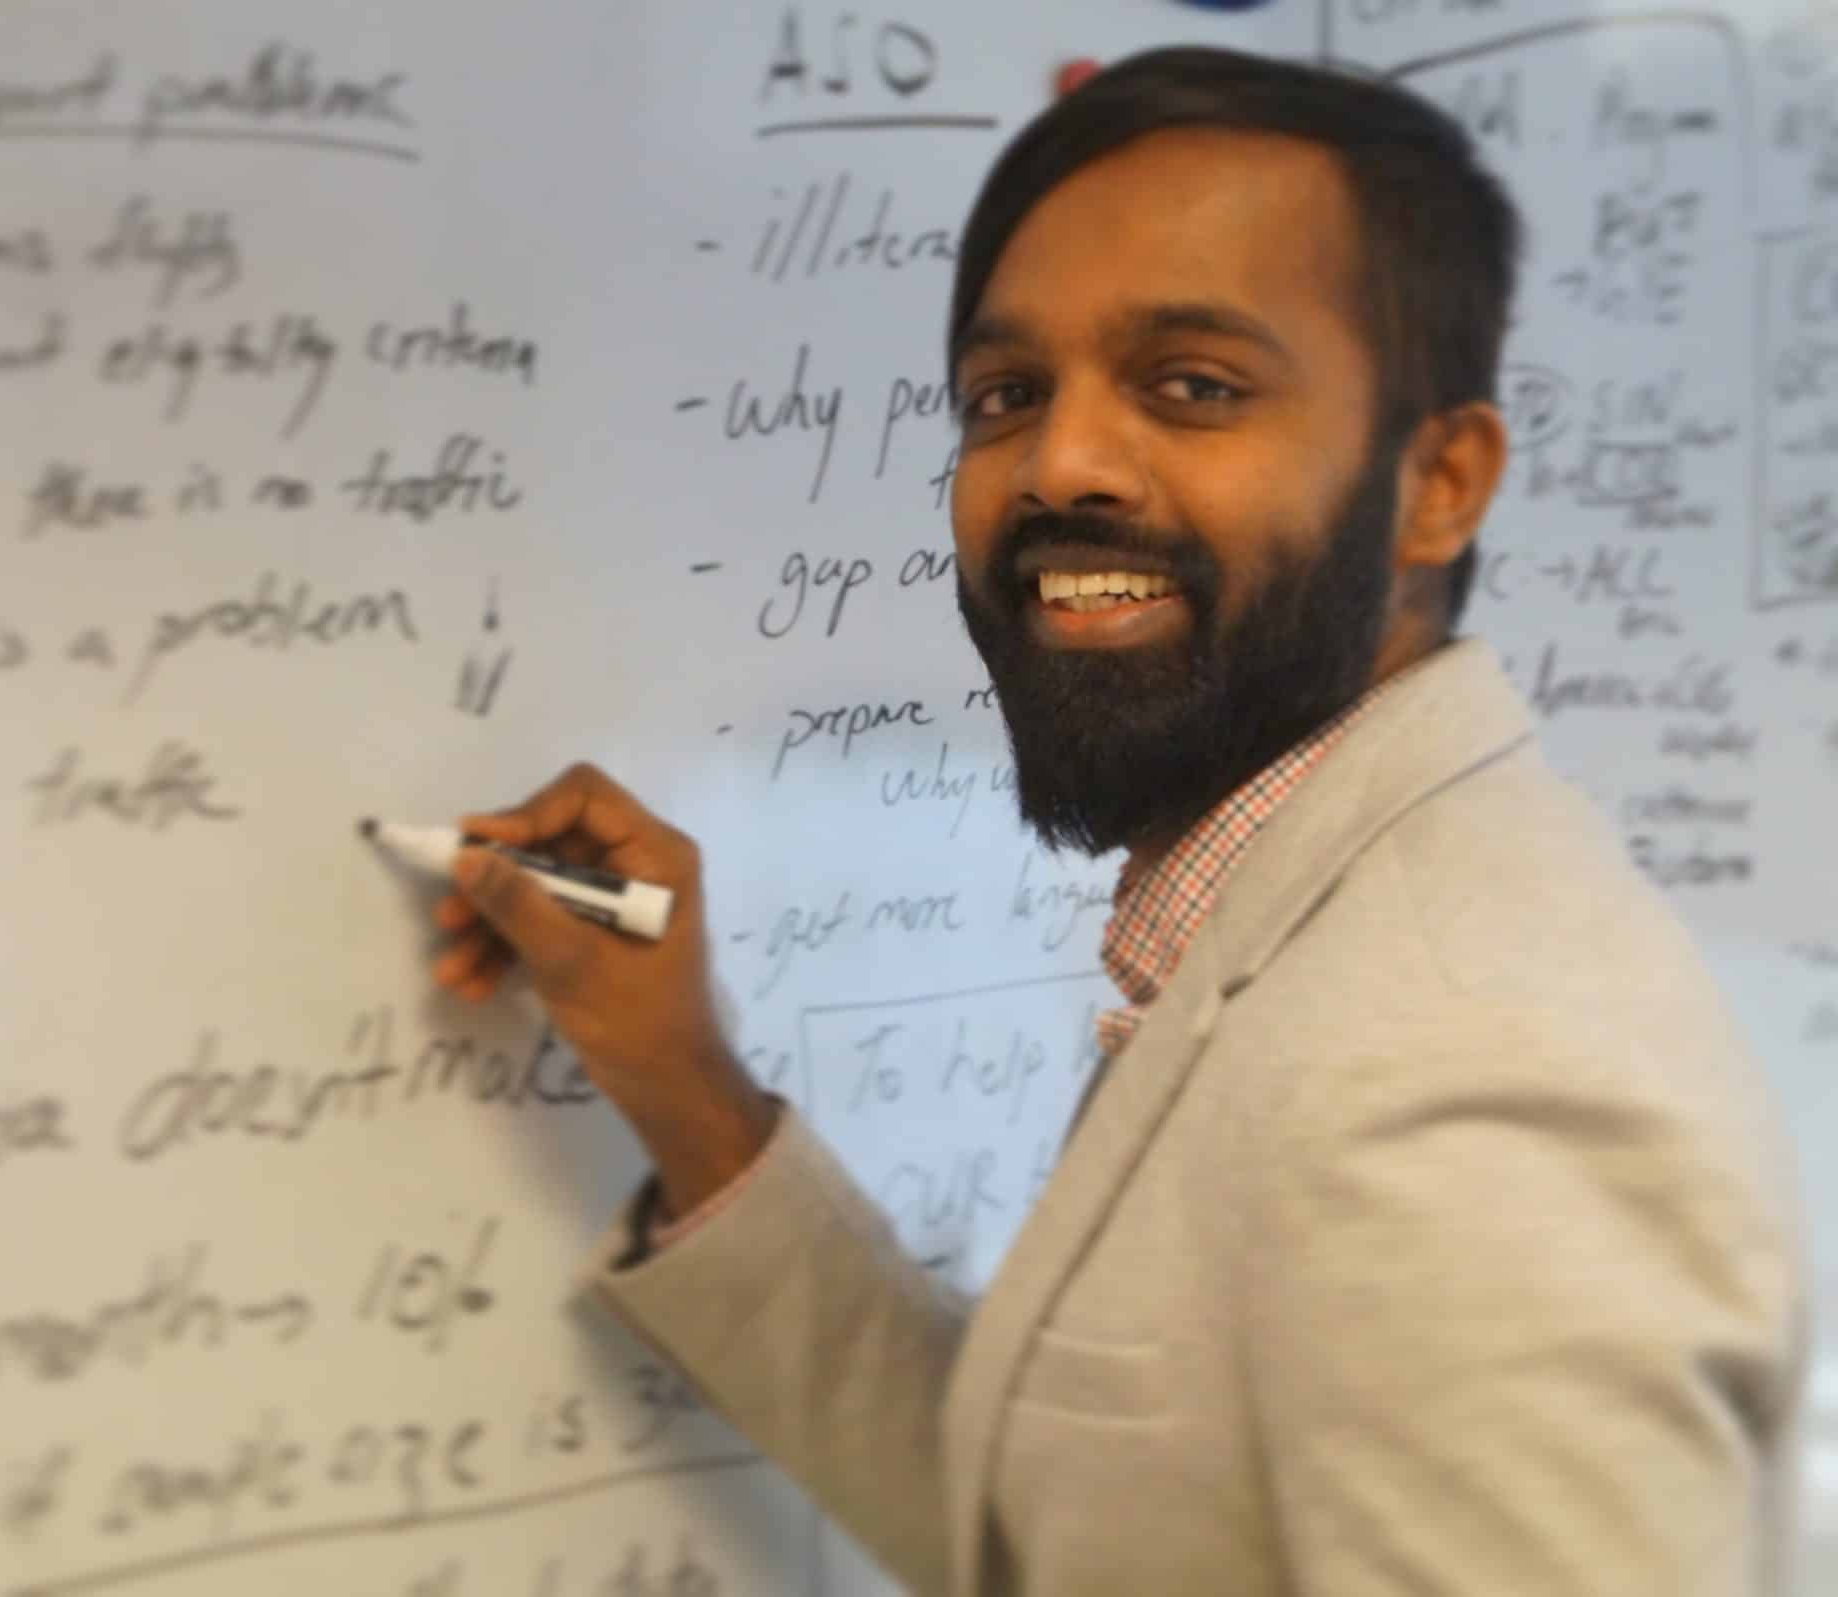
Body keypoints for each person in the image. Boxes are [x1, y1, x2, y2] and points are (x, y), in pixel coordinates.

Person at [424, 47, 1808, 1597]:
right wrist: (682, 1080)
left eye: (1194, 385)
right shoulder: (1306, 923)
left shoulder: (1470, 1085)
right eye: (1007, 395)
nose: (1059, 464)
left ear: (1440, 482)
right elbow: (1069, 1536)